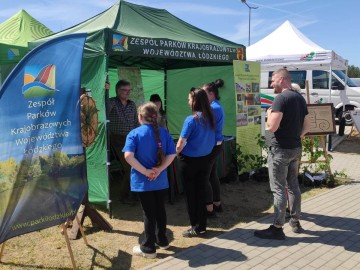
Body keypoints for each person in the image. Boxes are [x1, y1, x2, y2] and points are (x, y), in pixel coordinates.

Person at [254, 68, 310, 240]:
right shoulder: (299, 98)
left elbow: (272, 127)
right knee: (293, 186)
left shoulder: (280, 99)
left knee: (278, 189)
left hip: (280, 150)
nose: (271, 84)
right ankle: (295, 221)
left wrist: (269, 114)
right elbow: (307, 125)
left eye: (273, 80)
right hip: (295, 148)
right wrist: (297, 137)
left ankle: (277, 227)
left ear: (282, 79)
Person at [123, 102, 176, 259]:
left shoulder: (134, 134)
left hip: (143, 182)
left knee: (149, 213)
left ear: (140, 117)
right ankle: (162, 239)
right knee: (160, 210)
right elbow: (172, 154)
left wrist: (146, 171)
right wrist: (159, 170)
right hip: (160, 180)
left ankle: (148, 248)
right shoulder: (164, 132)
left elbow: (128, 156)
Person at [176, 88, 216, 237]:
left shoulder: (191, 120)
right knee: (201, 192)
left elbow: (181, 143)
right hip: (205, 160)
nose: (188, 102)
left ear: (195, 101)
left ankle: (195, 226)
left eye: (189, 99)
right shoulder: (210, 117)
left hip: (190, 162)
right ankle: (201, 225)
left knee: (191, 194)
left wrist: (175, 153)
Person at [108, 80, 139, 204]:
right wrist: (104, 90)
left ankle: (131, 195)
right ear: (117, 90)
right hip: (118, 140)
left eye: (129, 90)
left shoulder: (132, 104)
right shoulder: (112, 102)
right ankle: (126, 196)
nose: (127, 93)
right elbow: (103, 111)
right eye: (124, 90)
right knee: (130, 167)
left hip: (132, 139)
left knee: (134, 167)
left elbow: (136, 122)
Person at [202, 79, 225, 217]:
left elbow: (205, 126)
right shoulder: (215, 106)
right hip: (215, 144)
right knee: (212, 175)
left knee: (206, 176)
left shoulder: (214, 108)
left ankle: (210, 208)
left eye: (204, 92)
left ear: (211, 93)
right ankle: (217, 204)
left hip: (213, 145)